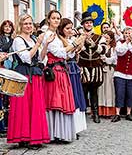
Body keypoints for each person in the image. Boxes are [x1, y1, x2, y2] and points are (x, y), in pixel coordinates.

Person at [7, 14, 51, 148]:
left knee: (35, 106)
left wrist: (45, 45)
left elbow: (40, 58)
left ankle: (34, 136)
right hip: (24, 75)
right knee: (23, 106)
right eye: (25, 23)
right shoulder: (18, 40)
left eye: (30, 23)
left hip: (35, 74)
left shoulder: (32, 39)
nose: (28, 26)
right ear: (21, 25)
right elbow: (26, 58)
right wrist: (38, 43)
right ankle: (23, 136)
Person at [43, 10, 85, 142]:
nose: (56, 20)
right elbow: (58, 52)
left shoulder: (56, 35)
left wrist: (77, 45)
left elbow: (66, 55)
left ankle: (60, 133)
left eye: (58, 18)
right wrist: (74, 44)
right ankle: (53, 133)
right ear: (48, 19)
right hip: (54, 71)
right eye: (54, 18)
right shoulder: (47, 35)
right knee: (55, 101)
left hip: (62, 69)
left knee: (62, 100)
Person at [58, 18, 87, 137]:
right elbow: (65, 54)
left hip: (74, 67)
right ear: (62, 29)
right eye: (67, 28)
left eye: (71, 28)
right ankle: (71, 126)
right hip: (67, 68)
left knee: (77, 96)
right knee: (72, 96)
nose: (70, 31)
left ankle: (77, 126)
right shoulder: (60, 41)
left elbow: (77, 53)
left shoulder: (70, 39)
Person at [78, 11, 105, 124]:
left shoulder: (99, 37)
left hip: (95, 67)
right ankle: (83, 114)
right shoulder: (78, 36)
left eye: (90, 22)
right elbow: (77, 50)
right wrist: (83, 40)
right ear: (83, 24)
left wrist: (93, 45)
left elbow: (103, 50)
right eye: (86, 23)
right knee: (83, 92)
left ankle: (96, 114)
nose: (88, 24)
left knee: (94, 92)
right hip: (83, 67)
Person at [111, 27, 132, 122]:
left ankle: (129, 113)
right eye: (126, 33)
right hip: (120, 73)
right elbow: (120, 52)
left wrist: (130, 44)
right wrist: (127, 43)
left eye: (130, 33)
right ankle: (117, 114)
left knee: (131, 94)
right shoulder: (120, 43)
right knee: (119, 93)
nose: (128, 35)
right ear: (123, 34)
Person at [98, 30, 117, 117]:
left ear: (111, 39)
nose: (105, 39)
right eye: (104, 37)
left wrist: (105, 59)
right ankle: (101, 110)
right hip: (101, 69)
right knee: (101, 89)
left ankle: (109, 110)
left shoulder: (113, 48)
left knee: (109, 89)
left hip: (109, 69)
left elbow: (114, 59)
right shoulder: (100, 46)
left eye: (107, 38)